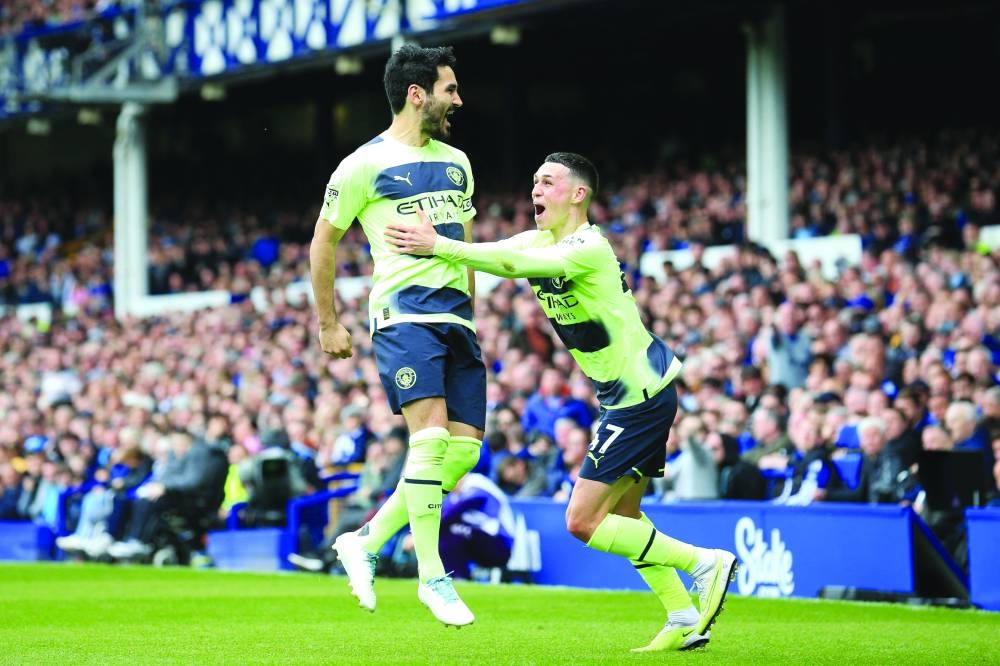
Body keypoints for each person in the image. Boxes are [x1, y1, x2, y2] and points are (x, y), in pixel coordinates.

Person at [385, 152, 737, 653]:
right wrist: (439, 240)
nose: (536, 190)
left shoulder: (587, 246)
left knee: (583, 521)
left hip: (638, 397)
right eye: (533, 182)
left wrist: (438, 244)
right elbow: (496, 251)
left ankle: (706, 563)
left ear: (578, 194)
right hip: (636, 394)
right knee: (627, 519)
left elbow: (509, 263)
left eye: (547, 182)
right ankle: (682, 615)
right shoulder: (539, 240)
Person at [309, 43, 485, 626]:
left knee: (462, 452)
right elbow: (324, 242)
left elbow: (460, 242)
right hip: (404, 313)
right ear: (418, 94)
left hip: (458, 316)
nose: (457, 98)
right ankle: (432, 575)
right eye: (450, 89)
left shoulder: (459, 161)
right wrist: (329, 321)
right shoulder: (363, 164)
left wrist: (472, 309)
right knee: (430, 440)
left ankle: (366, 540)